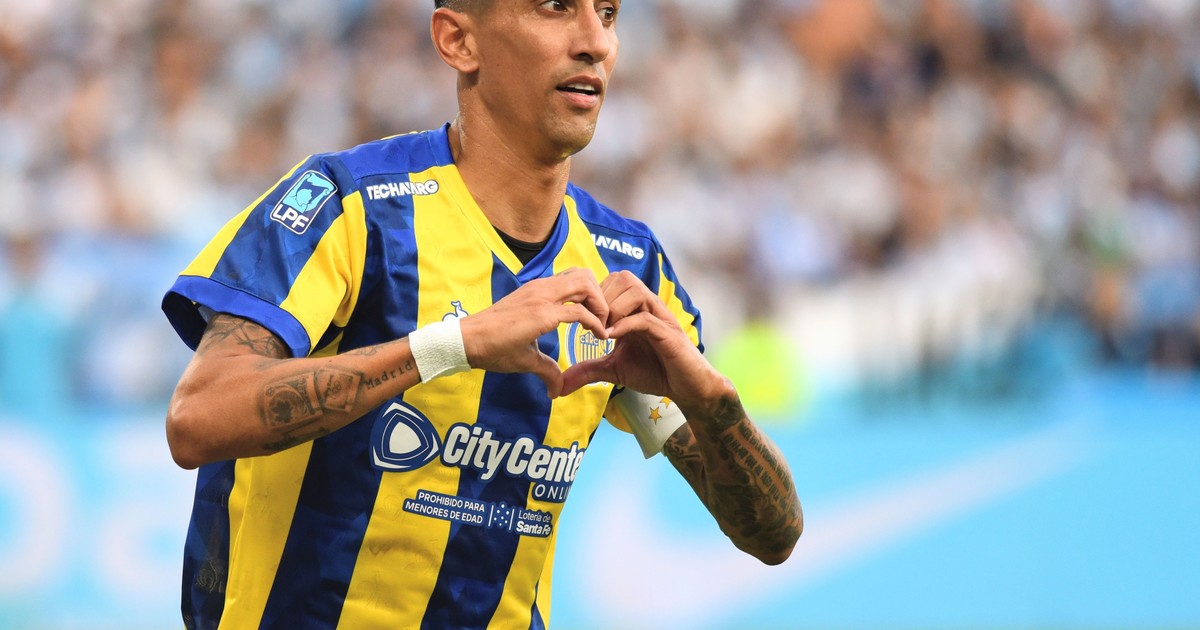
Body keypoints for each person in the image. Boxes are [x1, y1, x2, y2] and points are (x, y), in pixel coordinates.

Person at [162, 1, 803, 628]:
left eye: (608, 13)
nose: (595, 41)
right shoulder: (350, 207)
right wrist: (452, 346)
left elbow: (773, 537)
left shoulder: (626, 266)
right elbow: (198, 418)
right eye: (555, 7)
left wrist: (713, 406)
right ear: (458, 41)